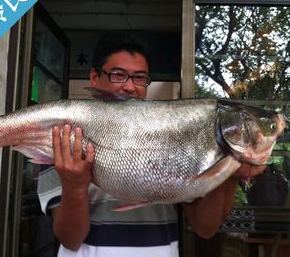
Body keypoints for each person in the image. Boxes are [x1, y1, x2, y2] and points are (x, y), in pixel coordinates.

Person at [37, 32, 266, 257]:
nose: (129, 87)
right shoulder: (64, 139)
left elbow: (205, 227)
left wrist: (232, 169)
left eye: (139, 77)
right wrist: (74, 187)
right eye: (118, 75)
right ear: (95, 77)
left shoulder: (173, 135)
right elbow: (70, 239)